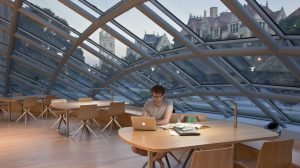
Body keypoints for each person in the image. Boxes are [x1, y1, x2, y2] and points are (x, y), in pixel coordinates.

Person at [132, 85, 173, 168]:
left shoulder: (169, 103)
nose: (155, 99)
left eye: (158, 96)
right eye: (153, 96)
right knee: (134, 148)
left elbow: (166, 121)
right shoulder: (147, 103)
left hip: (163, 132)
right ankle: (157, 160)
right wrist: (147, 121)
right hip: (150, 130)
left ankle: (151, 161)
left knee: (165, 147)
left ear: (163, 95)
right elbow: (144, 119)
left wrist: (150, 121)